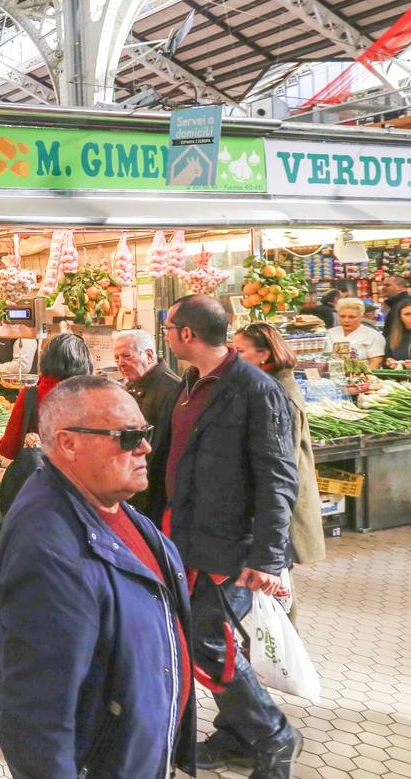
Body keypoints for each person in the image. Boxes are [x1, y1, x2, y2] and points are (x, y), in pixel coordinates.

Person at [0, 376, 193, 779]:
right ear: (68, 443)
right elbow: (36, 715)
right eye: (127, 436)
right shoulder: (48, 550)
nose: (145, 447)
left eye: (146, 432)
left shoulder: (110, 505)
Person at [151, 295, 302, 778]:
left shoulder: (255, 390)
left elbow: (279, 478)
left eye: (169, 326)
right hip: (188, 533)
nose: (168, 333)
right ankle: (236, 733)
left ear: (187, 335)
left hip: (232, 544)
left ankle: (275, 734)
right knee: (201, 639)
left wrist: (270, 557)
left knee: (209, 642)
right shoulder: (190, 384)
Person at [232, 323, 326, 619]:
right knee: (276, 580)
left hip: (282, 503)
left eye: (240, 351)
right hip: (279, 502)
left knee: (277, 580)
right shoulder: (267, 383)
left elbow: (282, 463)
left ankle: (286, 651)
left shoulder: (277, 392)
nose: (234, 357)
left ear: (264, 354)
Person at [0, 332, 91, 461]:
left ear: (46, 358)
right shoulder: (95, 396)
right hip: (83, 476)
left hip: (45, 476)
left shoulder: (32, 395)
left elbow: (8, 449)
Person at [113, 328, 180, 462]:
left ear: (149, 355)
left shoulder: (174, 390)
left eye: (127, 356)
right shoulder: (128, 387)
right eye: (117, 358)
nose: (120, 363)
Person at [326, 297, 385, 367]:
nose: (346, 320)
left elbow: (376, 363)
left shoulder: (373, 336)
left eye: (351, 317)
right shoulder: (329, 333)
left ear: (361, 316)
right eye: (342, 316)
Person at [381, 273, 410, 343]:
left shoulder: (403, 305)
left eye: (387, 285)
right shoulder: (393, 304)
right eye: (382, 285)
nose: (383, 288)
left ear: (400, 287)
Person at [386, 298, 411, 362]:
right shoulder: (393, 338)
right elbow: (386, 362)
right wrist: (390, 363)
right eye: (407, 314)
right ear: (400, 317)